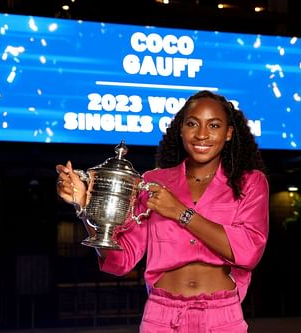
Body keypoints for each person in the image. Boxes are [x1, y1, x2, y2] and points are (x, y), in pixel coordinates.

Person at [56, 90, 269, 332]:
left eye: (214, 125)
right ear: (180, 129)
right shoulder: (153, 182)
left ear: (228, 133)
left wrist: (180, 212)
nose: (201, 134)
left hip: (221, 316)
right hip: (162, 316)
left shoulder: (249, 182)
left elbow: (249, 252)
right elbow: (120, 260)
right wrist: (86, 206)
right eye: (192, 124)